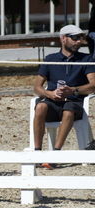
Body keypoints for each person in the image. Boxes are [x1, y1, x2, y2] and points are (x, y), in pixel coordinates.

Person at [33, 25, 95, 169]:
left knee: (69, 109)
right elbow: (37, 87)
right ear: (63, 38)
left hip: (74, 102)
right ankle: (37, 153)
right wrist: (50, 94)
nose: (79, 41)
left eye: (81, 38)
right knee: (40, 106)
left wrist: (73, 90)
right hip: (53, 102)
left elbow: (93, 85)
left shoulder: (86, 59)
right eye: (75, 38)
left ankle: (55, 154)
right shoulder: (50, 59)